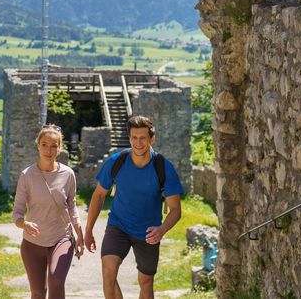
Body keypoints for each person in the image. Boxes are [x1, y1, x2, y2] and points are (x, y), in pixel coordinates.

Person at [84, 116, 184, 299]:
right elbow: (98, 195)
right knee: (108, 272)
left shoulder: (163, 167)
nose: (138, 143)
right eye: (134, 138)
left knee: (146, 282)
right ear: (129, 138)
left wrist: (161, 230)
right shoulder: (117, 162)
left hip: (148, 232)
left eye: (143, 138)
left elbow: (176, 210)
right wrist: (88, 229)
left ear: (152, 139)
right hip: (118, 226)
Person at [12, 125, 85, 299]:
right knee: (38, 292)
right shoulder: (27, 175)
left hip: (61, 238)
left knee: (56, 281)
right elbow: (17, 212)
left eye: (54, 145)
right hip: (32, 243)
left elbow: (72, 206)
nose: (49, 150)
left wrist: (80, 234)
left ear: (59, 148)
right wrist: (24, 224)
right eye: (44, 144)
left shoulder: (67, 174)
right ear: (38, 145)